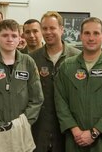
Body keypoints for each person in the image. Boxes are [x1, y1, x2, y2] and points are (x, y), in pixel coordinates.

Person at [55, 17, 102, 151]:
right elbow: (60, 102)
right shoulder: (67, 67)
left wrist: (95, 132)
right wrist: (75, 130)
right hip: (75, 140)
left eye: (96, 33)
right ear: (80, 36)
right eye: (87, 33)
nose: (91, 38)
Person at [0, 19, 44, 152]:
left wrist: (22, 122)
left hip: (22, 129)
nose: (10, 39)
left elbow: (37, 98)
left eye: (14, 35)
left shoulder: (28, 62)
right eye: (5, 35)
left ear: (19, 38)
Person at [29, 12, 81, 152]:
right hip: (40, 126)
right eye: (44, 28)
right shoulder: (32, 59)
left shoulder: (77, 57)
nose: (48, 32)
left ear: (62, 29)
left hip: (69, 126)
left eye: (52, 28)